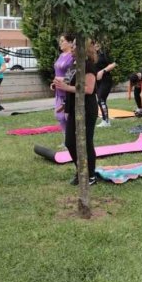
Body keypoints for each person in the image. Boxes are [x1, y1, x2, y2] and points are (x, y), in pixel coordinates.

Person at [53, 41, 98, 185]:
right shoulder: (74, 64)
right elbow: (70, 83)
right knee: (70, 142)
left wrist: (66, 87)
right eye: (71, 46)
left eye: (74, 46)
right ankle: (81, 171)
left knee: (86, 142)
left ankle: (90, 175)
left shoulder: (88, 65)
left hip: (87, 108)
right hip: (73, 107)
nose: (71, 49)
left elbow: (89, 89)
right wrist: (60, 87)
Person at [53, 34, 76, 135]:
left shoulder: (72, 57)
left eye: (62, 41)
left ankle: (71, 140)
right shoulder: (61, 55)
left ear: (70, 43)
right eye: (60, 41)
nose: (60, 43)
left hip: (68, 90)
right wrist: (54, 83)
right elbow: (57, 72)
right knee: (59, 116)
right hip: (59, 91)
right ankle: (65, 140)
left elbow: (73, 74)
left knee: (67, 117)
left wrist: (60, 79)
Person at [94, 40, 117, 127]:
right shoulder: (93, 55)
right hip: (96, 81)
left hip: (106, 80)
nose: (96, 45)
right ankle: (104, 119)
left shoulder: (105, 53)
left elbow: (114, 64)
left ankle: (106, 121)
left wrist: (103, 71)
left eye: (97, 43)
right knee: (100, 100)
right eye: (94, 43)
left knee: (101, 99)